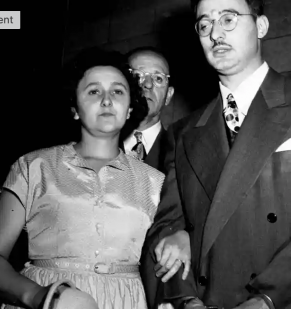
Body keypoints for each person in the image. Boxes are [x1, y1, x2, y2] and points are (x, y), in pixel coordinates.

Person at [142, 0, 291, 309]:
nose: (216, 33)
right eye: (204, 25)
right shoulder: (184, 132)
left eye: (228, 19)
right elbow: (168, 224)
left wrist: (267, 299)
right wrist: (184, 298)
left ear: (262, 26)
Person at [0, 48, 188, 309]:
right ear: (75, 108)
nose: (107, 100)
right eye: (94, 91)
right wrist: (39, 296)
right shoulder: (32, 167)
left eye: (118, 91)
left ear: (130, 108)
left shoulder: (155, 181)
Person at [122, 47, 174, 172]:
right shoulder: (93, 146)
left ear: (168, 95)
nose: (148, 84)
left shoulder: (181, 152)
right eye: (137, 75)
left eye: (158, 78)